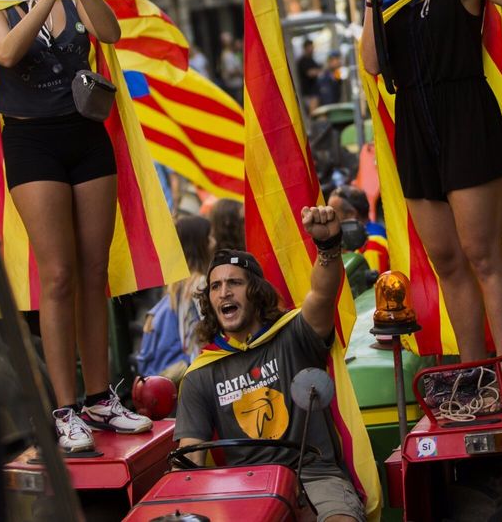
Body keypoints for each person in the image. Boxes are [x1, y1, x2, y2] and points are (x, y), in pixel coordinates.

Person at [0, 0, 152, 452]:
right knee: (56, 275)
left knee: (92, 271)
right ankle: (64, 409)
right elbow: (7, 53)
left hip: (86, 138)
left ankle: (101, 398)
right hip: (33, 146)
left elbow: (111, 33)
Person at [359, 0, 502, 397]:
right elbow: (372, 64)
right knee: (447, 261)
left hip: (465, 116)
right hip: (415, 124)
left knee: (483, 253)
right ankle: (476, 373)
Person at [174, 206, 367, 522]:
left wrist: (328, 247)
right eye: (215, 286)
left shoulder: (294, 334)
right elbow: (190, 461)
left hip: (315, 478)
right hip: (243, 491)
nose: (224, 292)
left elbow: (321, 293)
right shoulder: (200, 374)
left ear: (255, 291)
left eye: (234, 283)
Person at [136, 214, 214, 380]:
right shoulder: (199, 284)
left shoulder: (177, 284)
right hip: (200, 367)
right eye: (210, 237)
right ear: (199, 243)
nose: (214, 242)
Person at [329, 185, 389, 275]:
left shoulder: (372, 244)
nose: (329, 220)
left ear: (351, 214)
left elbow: (372, 287)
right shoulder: (372, 234)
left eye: (333, 213)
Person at [297, 39, 321, 113]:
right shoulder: (303, 61)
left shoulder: (312, 59)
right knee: (313, 113)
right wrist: (319, 72)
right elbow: (310, 73)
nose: (312, 49)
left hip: (314, 92)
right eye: (310, 47)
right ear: (305, 48)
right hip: (309, 94)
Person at [219, 33, 243, 101]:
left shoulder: (232, 53)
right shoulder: (226, 55)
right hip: (234, 86)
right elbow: (230, 72)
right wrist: (241, 72)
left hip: (237, 84)